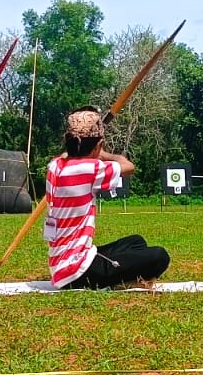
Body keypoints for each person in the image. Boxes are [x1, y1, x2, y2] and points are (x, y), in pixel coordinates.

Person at [44, 108, 170, 289]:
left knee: (136, 241)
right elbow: (128, 166)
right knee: (159, 256)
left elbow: (66, 156)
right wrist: (103, 153)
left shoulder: (55, 166)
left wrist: (94, 149)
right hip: (76, 273)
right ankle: (123, 283)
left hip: (65, 262)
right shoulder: (90, 169)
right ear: (98, 145)